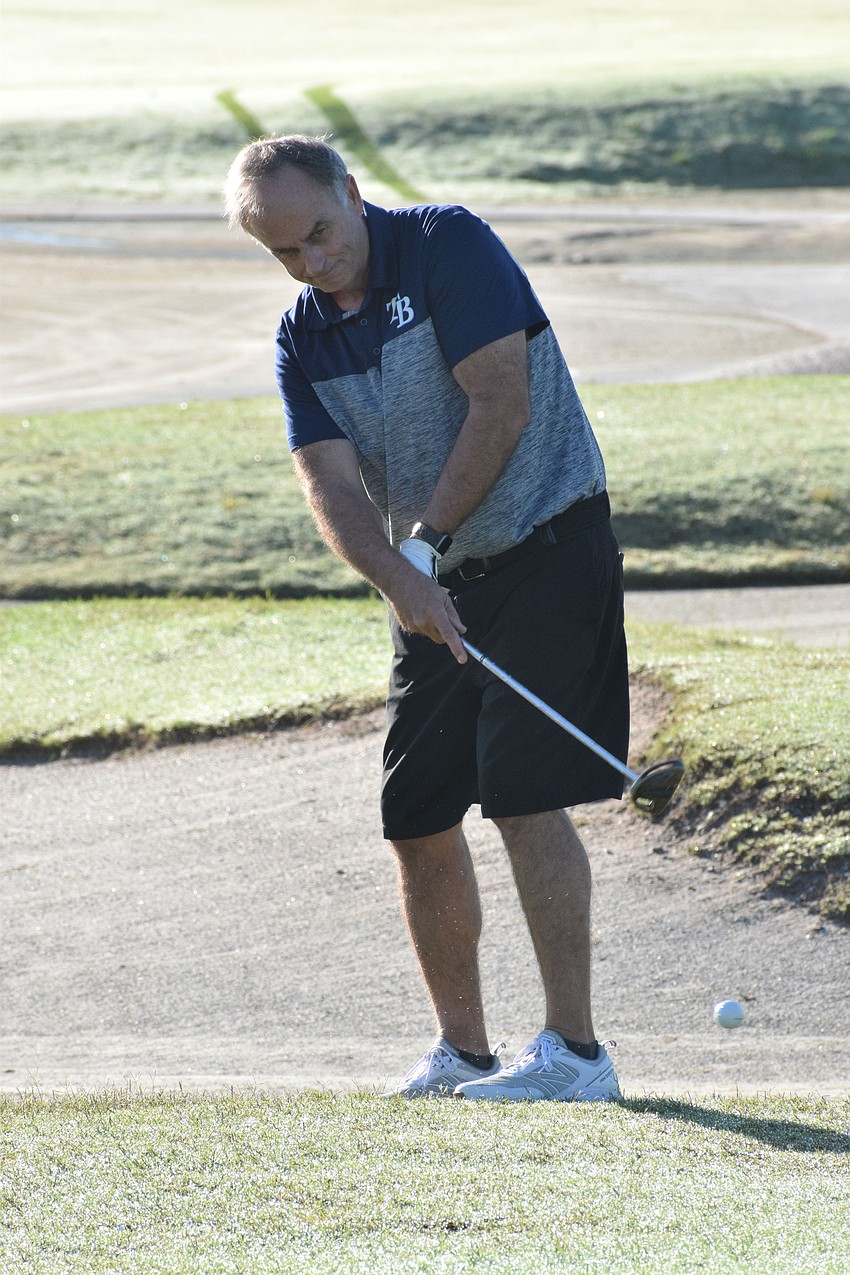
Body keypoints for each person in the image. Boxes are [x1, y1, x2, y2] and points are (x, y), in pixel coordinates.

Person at [224, 136, 629, 1102]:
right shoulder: (302, 336)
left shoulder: (450, 245)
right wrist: (400, 577)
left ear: (353, 194)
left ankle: (575, 1055)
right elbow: (327, 482)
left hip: (547, 542)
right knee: (415, 814)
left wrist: (423, 547)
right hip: (433, 574)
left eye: (319, 234)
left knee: (526, 795)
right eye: (286, 254)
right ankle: (465, 1055)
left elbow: (502, 403)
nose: (312, 264)